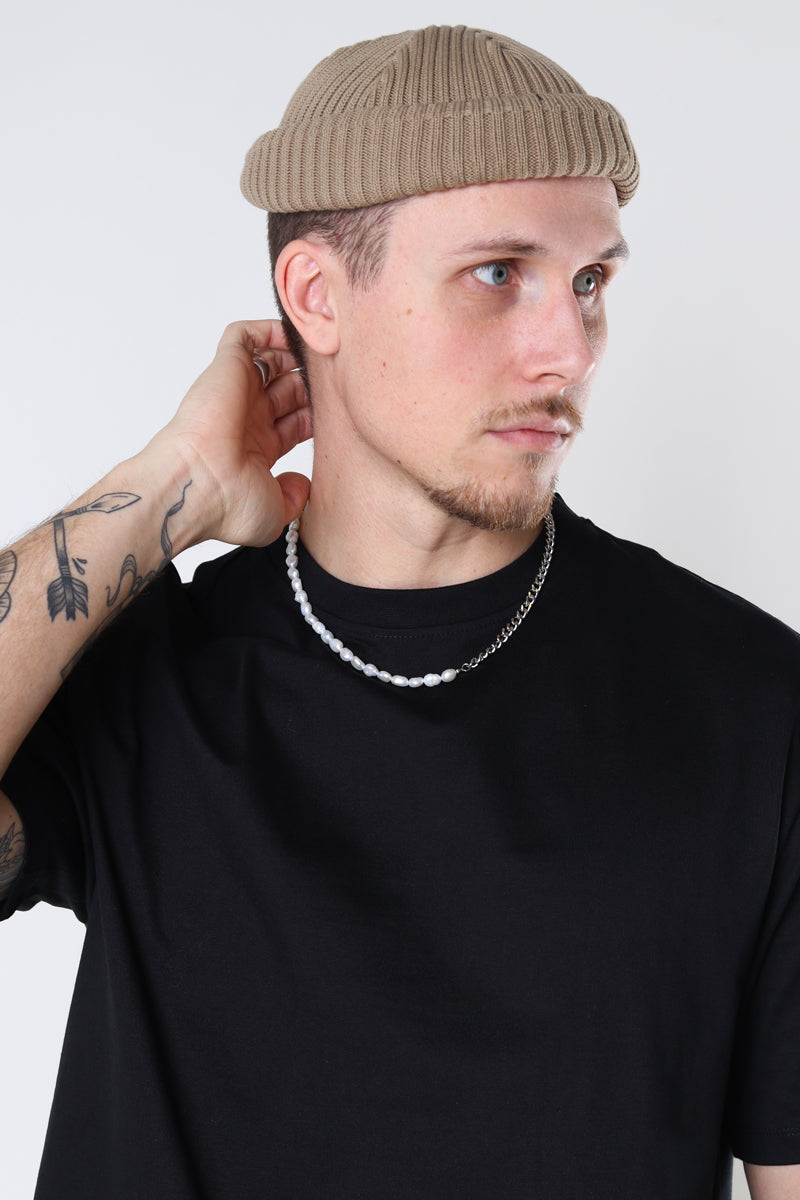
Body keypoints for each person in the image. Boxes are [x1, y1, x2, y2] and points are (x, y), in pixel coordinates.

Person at [1, 23, 798, 1200]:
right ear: (316, 296)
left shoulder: (750, 709)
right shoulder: (144, 680)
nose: (569, 351)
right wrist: (173, 482)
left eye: (588, 282)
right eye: (498, 274)